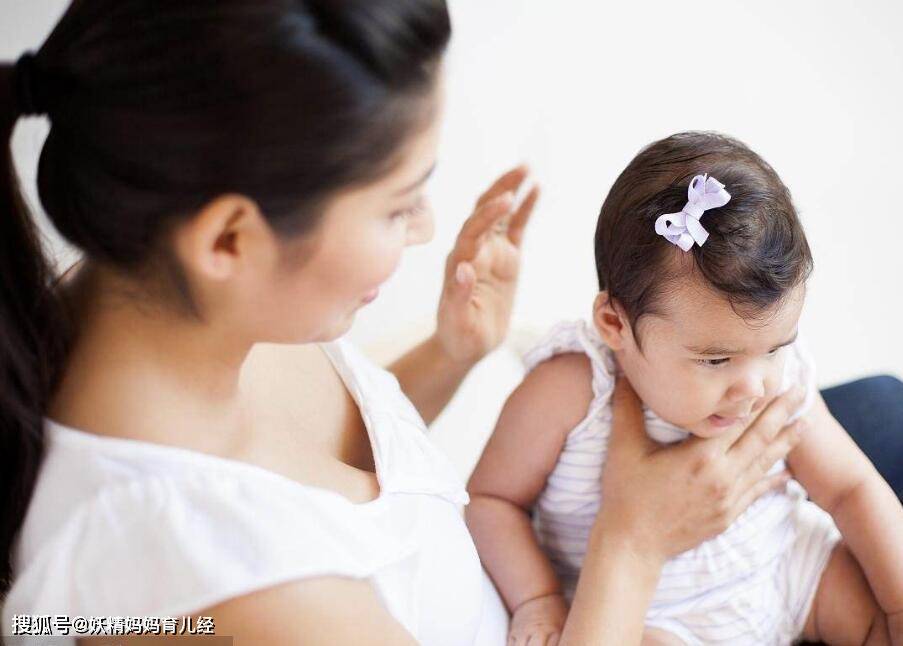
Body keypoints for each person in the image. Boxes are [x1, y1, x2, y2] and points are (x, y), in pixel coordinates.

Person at [0, 3, 897, 645]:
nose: (428, 227)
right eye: (397, 206)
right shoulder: (247, 597)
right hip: (612, 607)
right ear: (230, 237)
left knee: (877, 422)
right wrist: (631, 542)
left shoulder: (148, 291)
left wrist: (452, 353)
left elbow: (335, 487)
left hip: (710, 546)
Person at [466, 132, 903, 645]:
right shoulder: (571, 388)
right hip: (661, 615)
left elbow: (850, 489)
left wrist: (897, 608)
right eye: (716, 359)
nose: (754, 386)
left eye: (775, 348)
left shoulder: (778, 383)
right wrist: (537, 598)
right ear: (615, 325)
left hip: (788, 568)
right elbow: (490, 500)